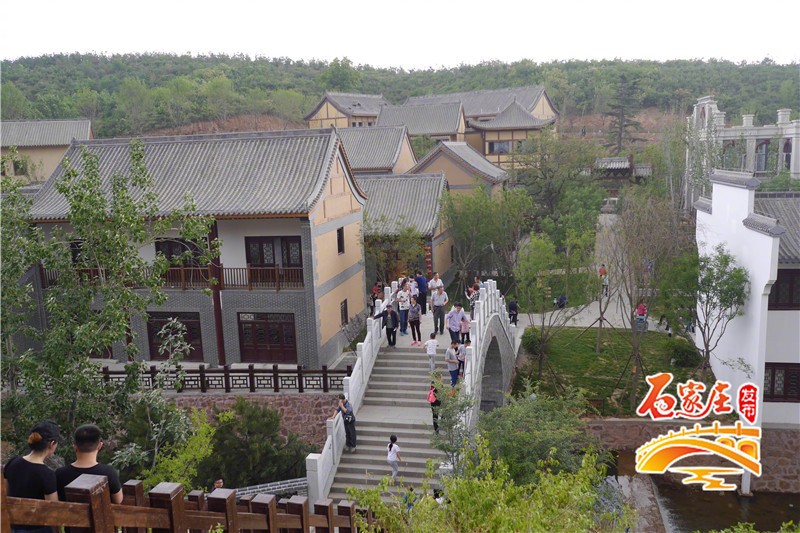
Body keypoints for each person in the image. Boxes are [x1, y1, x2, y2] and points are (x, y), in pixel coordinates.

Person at [4, 420, 61, 517]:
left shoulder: (12, 462)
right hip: (35, 523)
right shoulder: (47, 475)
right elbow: (53, 510)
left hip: (10, 521)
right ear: (52, 444)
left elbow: (4, 495)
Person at [56, 424, 123, 504]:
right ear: (100, 445)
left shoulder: (60, 473)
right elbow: (118, 500)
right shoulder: (109, 472)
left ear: (75, 447)